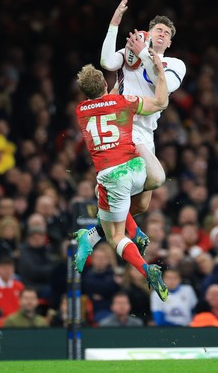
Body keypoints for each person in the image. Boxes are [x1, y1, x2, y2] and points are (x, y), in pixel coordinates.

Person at [81, 0, 186, 256]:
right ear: (148, 33)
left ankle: (93, 231)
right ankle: (105, 188)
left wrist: (143, 53)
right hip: (125, 126)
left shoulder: (175, 64)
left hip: (147, 131)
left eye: (167, 33)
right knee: (156, 178)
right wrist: (114, 24)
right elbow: (106, 62)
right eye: (158, 30)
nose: (162, 34)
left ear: (170, 42)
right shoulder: (130, 53)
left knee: (140, 204)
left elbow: (163, 84)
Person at [73, 49, 169, 302]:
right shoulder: (121, 102)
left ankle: (146, 269)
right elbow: (160, 102)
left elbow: (102, 100)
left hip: (112, 177)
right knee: (123, 198)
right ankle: (100, 235)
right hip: (137, 169)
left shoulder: (81, 110)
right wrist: (160, 74)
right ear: (105, 83)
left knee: (115, 235)